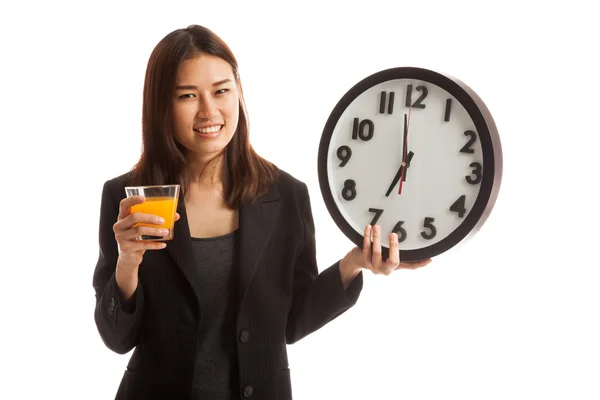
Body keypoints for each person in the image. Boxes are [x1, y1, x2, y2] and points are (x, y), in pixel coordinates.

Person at [92, 24, 432, 400]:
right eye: (187, 95)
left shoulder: (285, 195)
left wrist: (354, 264)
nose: (209, 111)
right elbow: (116, 338)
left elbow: (291, 323)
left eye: (221, 90)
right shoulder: (129, 199)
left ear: (238, 93)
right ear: (161, 106)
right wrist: (127, 262)